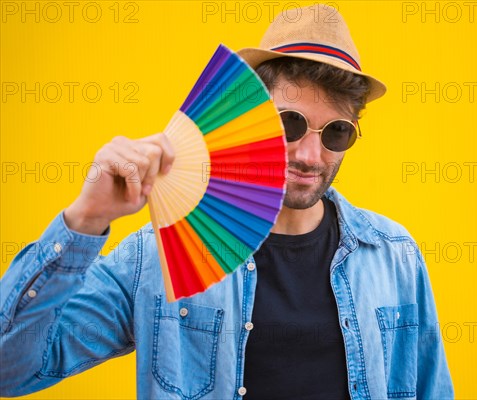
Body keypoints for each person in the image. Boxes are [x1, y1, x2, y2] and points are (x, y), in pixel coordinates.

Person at [0, 4, 453, 399]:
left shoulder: (395, 255)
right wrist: (86, 219)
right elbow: (10, 368)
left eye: (336, 131)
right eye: (289, 123)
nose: (310, 156)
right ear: (249, 118)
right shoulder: (157, 256)